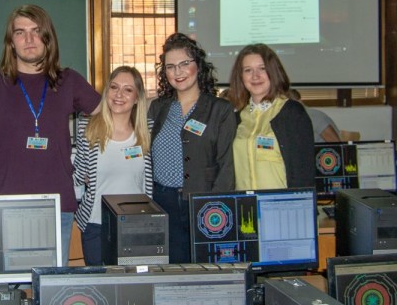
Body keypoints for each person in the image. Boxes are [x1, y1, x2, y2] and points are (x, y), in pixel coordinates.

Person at [0, 4, 101, 267]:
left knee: (51, 290)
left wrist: (90, 163)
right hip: (6, 203)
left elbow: (108, 118)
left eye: (36, 31)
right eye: (20, 32)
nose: (29, 39)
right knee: (6, 288)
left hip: (56, 204)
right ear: (11, 42)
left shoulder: (68, 80)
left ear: (47, 38)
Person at [148, 33, 236, 264]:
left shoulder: (220, 110)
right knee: (171, 271)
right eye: (170, 66)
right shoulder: (158, 109)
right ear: (164, 73)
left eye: (184, 64)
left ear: (198, 66)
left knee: (204, 269)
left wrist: (216, 207)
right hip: (162, 203)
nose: (178, 72)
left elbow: (226, 166)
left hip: (203, 203)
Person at [72, 66, 153, 265]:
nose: (119, 94)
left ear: (137, 97)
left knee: (134, 291)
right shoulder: (87, 128)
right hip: (96, 225)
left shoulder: (148, 130)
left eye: (128, 89)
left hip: (137, 226)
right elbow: (77, 177)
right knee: (100, 289)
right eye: (114, 87)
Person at [227, 43, 315, 190]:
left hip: (281, 207)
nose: (255, 76)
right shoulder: (237, 118)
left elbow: (304, 173)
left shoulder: (292, 113)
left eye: (262, 68)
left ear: (273, 72)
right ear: (241, 77)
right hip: (245, 208)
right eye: (248, 70)